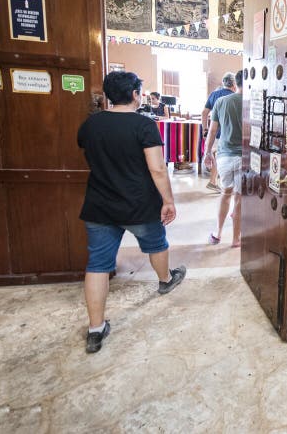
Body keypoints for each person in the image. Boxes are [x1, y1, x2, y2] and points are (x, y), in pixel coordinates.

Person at [77, 71, 186, 354]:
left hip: (99, 203)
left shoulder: (90, 124)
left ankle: (95, 329)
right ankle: (165, 281)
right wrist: (168, 201)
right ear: (136, 94)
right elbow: (157, 168)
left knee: (98, 263)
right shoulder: (144, 125)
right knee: (157, 244)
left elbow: (90, 156)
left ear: (109, 95)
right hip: (139, 204)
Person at [203, 70, 243, 247]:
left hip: (225, 155)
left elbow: (212, 130)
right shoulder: (254, 102)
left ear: (236, 83)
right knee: (240, 199)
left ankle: (217, 233)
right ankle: (236, 239)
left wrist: (207, 153)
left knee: (225, 194)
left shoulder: (221, 101)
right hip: (245, 158)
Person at [202, 72, 236, 192]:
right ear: (234, 84)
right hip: (229, 133)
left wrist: (205, 129)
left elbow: (204, 112)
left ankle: (214, 181)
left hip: (214, 132)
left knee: (216, 156)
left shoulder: (214, 94)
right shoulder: (235, 96)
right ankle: (217, 182)